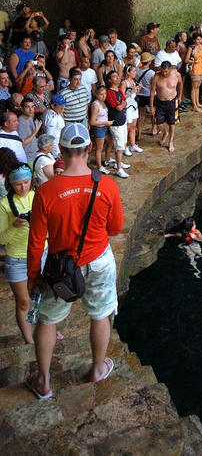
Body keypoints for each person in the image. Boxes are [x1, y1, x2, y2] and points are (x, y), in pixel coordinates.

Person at [26, 122, 124, 398]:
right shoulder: (107, 185)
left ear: (61, 150)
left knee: (47, 321)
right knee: (101, 314)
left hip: (61, 267)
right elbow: (115, 229)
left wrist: (34, 276)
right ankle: (96, 370)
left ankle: (44, 382)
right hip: (99, 259)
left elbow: (36, 243)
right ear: (90, 148)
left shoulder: (46, 192)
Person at [0, 164, 41, 343]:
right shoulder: (4, 204)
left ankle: (46, 329)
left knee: (41, 297)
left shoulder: (37, 196)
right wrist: (14, 226)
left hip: (40, 253)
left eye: (26, 182)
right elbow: (1, 239)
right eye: (18, 184)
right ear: (11, 184)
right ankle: (28, 338)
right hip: (17, 257)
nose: (23, 187)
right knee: (24, 301)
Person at [149, 62, 182, 153]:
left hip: (172, 101)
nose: (164, 73)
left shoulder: (176, 75)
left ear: (170, 69)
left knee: (172, 123)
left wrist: (180, 96)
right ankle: (165, 132)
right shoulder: (156, 77)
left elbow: (180, 84)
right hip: (160, 102)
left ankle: (170, 142)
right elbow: (152, 93)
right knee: (158, 122)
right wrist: (151, 106)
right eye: (162, 71)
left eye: (166, 72)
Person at [105, 71, 130, 178]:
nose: (117, 78)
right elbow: (119, 107)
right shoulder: (109, 92)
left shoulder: (119, 90)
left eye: (117, 76)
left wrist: (123, 103)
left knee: (122, 144)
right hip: (115, 122)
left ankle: (118, 163)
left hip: (122, 120)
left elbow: (125, 102)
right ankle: (119, 168)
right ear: (110, 80)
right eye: (114, 77)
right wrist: (123, 103)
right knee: (119, 146)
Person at [89, 84, 112, 174]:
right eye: (101, 94)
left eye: (105, 94)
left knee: (110, 142)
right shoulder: (96, 105)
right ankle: (99, 166)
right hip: (99, 128)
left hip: (105, 127)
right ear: (96, 94)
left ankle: (107, 159)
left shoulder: (103, 102)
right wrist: (105, 123)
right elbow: (92, 122)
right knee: (99, 148)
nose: (104, 96)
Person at [185, 32, 202, 113]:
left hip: (201, 69)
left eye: (200, 39)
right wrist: (194, 61)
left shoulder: (200, 46)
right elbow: (186, 60)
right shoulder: (191, 48)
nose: (199, 40)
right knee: (194, 88)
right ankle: (194, 105)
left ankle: (197, 103)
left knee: (198, 87)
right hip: (195, 69)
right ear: (194, 40)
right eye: (198, 39)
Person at [17, 97, 43, 162]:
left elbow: (33, 135)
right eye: (27, 107)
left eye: (32, 107)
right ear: (22, 109)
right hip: (28, 157)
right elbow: (23, 143)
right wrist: (36, 130)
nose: (31, 109)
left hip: (34, 155)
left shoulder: (29, 117)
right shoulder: (21, 122)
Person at [135, 53, 155, 132]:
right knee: (152, 112)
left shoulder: (137, 70)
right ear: (149, 62)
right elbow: (153, 85)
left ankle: (139, 132)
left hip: (140, 94)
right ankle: (154, 129)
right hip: (149, 94)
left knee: (141, 115)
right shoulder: (151, 73)